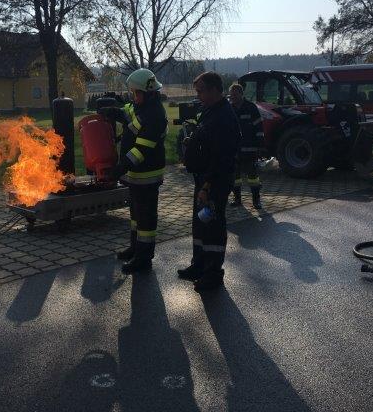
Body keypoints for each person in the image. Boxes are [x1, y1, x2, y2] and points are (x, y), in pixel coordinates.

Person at [99, 68, 167, 274]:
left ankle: (144, 259)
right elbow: (128, 113)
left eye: (135, 93)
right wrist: (114, 112)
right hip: (136, 176)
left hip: (147, 176)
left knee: (146, 219)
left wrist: (119, 169)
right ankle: (135, 249)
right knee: (136, 216)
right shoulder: (142, 107)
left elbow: (140, 151)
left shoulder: (154, 115)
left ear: (146, 93)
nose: (133, 97)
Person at [178, 72, 241, 291]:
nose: (198, 95)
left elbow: (221, 157)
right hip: (203, 180)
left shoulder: (224, 116)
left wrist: (207, 186)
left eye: (201, 91)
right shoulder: (210, 111)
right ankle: (199, 265)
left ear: (214, 90)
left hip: (214, 182)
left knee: (213, 227)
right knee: (200, 223)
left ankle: (213, 274)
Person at [228, 83, 264, 209]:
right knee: (235, 177)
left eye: (235, 95)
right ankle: (237, 199)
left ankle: (256, 200)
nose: (233, 97)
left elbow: (259, 128)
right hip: (234, 150)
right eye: (231, 95)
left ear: (241, 94)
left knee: (253, 177)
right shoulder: (229, 108)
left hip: (250, 149)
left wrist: (260, 146)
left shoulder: (250, 107)